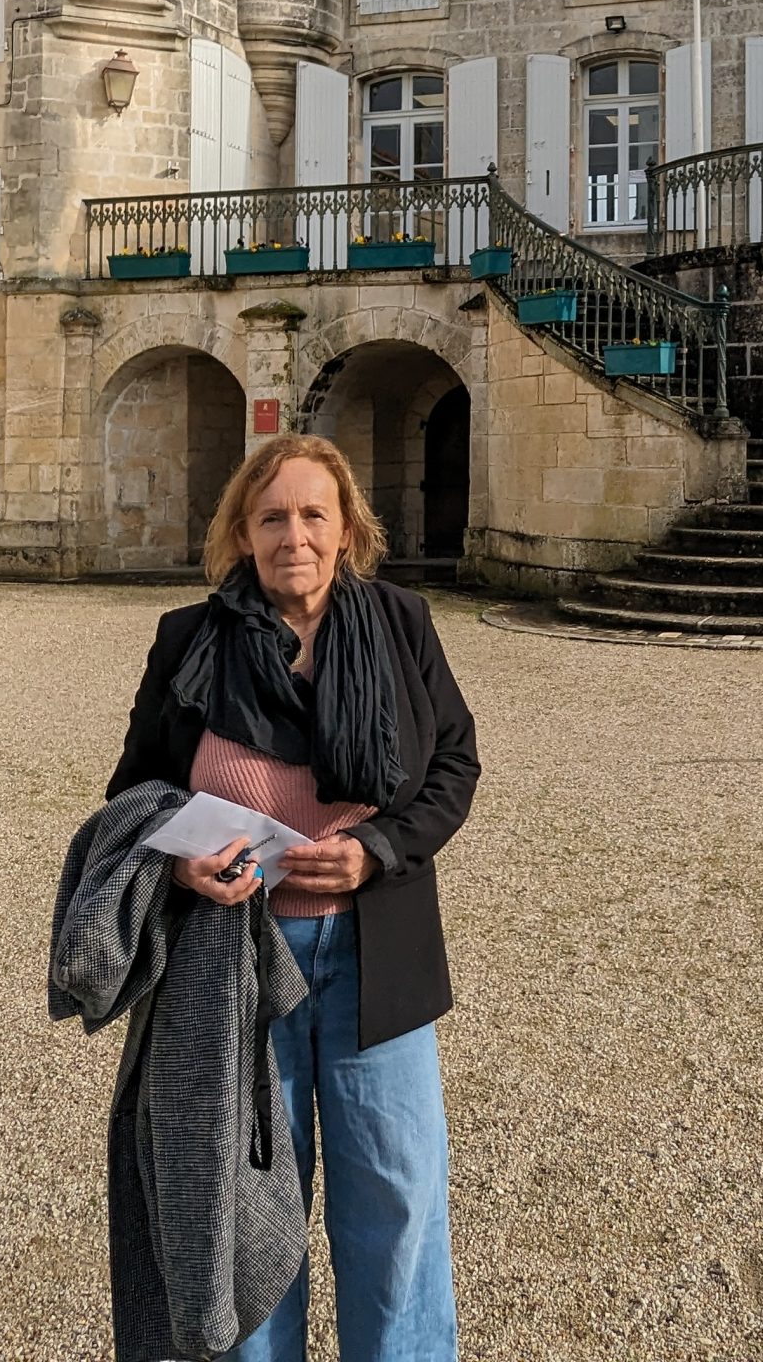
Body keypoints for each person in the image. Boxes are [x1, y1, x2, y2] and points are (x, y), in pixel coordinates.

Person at [106, 433, 480, 1362]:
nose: (295, 536)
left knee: (395, 1201)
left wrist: (377, 848)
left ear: (347, 527)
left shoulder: (400, 623)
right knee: (246, 1213)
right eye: (272, 517)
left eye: (315, 514)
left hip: (373, 953)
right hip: (235, 964)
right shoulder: (189, 641)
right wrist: (181, 863)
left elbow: (453, 766)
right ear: (241, 530)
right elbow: (135, 793)